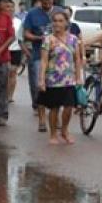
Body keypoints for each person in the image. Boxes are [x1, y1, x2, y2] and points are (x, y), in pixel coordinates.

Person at [38, 10, 83, 145]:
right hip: (53, 79)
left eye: (60, 21)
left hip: (69, 79)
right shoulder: (48, 39)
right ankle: (53, 134)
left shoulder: (73, 39)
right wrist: (41, 79)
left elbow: (77, 59)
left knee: (69, 107)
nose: (57, 24)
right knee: (54, 108)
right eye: (55, 21)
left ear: (66, 23)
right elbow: (44, 60)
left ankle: (64, 130)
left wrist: (79, 77)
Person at [23, 0, 57, 132]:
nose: (47, 5)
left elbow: (69, 31)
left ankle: (56, 117)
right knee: (40, 86)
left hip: (57, 56)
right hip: (38, 54)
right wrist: (39, 38)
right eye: (44, 2)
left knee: (57, 88)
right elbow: (26, 33)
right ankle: (42, 120)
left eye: (49, 2)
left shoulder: (60, 12)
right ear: (40, 0)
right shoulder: (32, 14)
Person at [6, 0, 23, 103]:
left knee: (13, 73)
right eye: (8, 7)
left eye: (12, 7)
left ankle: (10, 96)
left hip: (16, 50)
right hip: (4, 50)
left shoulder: (19, 22)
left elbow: (21, 37)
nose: (10, 9)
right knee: (5, 73)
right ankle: (3, 94)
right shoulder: (1, 20)